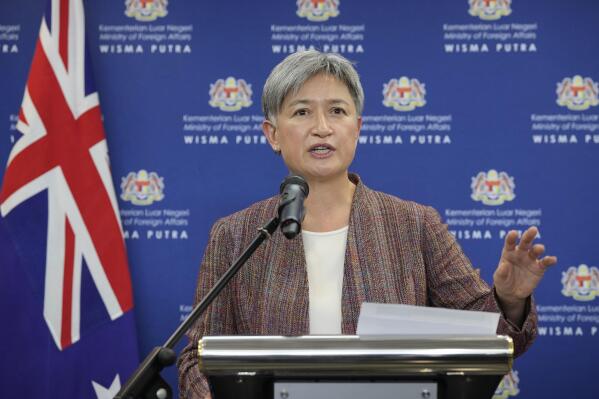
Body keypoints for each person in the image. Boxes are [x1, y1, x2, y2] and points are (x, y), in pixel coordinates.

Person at [177, 50, 556, 399]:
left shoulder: (413, 224)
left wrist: (510, 299)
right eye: (302, 112)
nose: (322, 128)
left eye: (337, 111)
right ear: (273, 134)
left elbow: (492, 340)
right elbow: (196, 357)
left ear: (357, 128)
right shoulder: (236, 234)